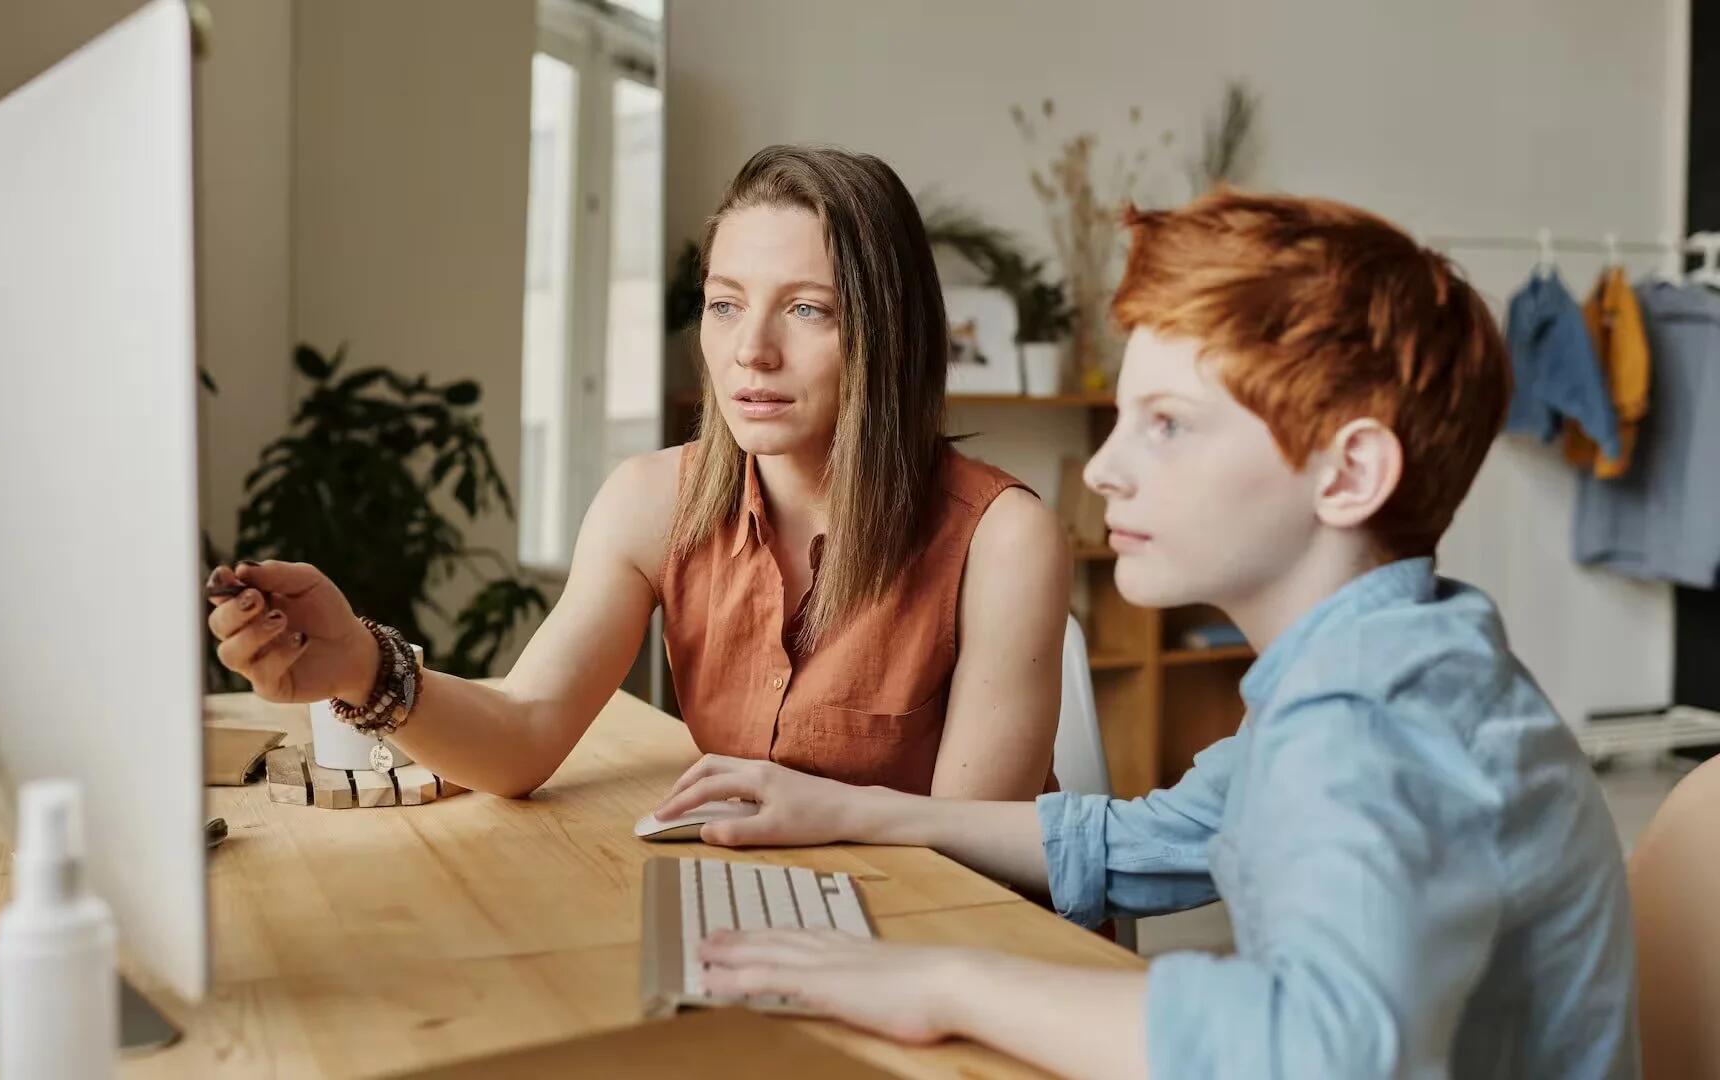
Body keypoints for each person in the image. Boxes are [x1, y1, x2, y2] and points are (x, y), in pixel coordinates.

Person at [655, 191, 1638, 1079]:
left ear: (1347, 476)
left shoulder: (1370, 725)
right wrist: (849, 809)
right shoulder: (1401, 661)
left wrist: (945, 984)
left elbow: (1317, 1050)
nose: (1103, 471)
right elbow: (1144, 839)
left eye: (1167, 424)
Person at [204, 144, 1070, 801]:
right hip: (773, 916)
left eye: (808, 310)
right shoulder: (653, 500)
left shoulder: (1003, 539)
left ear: (891, 335)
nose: (750, 352)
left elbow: (972, 857)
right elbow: (523, 733)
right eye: (725, 304)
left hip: (949, 946)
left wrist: (803, 817)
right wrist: (360, 664)